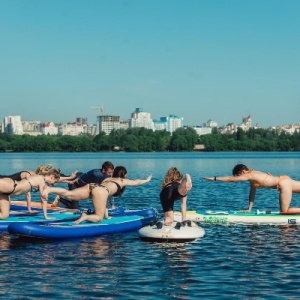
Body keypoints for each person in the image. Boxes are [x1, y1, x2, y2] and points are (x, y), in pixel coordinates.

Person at [42, 166, 152, 224]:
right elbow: (136, 182)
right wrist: (146, 180)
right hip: (100, 191)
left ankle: (49, 189)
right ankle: (85, 217)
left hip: (93, 186)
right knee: (99, 218)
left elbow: (104, 201)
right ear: (124, 175)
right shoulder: (122, 181)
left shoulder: (108, 178)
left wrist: (107, 215)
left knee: (69, 194)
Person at [202, 164, 300, 213]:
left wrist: (215, 178)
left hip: (284, 184)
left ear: (243, 171)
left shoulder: (250, 174)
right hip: (286, 181)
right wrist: (249, 209)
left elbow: (230, 179)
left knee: (285, 212)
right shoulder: (252, 178)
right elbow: (252, 194)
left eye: (238, 175)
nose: (239, 178)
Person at [0, 164, 77, 213]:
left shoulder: (38, 178)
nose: (53, 183)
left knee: (5, 214)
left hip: (9, 190)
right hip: (7, 184)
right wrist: (29, 210)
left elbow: (54, 179)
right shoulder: (30, 175)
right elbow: (28, 195)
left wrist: (68, 179)